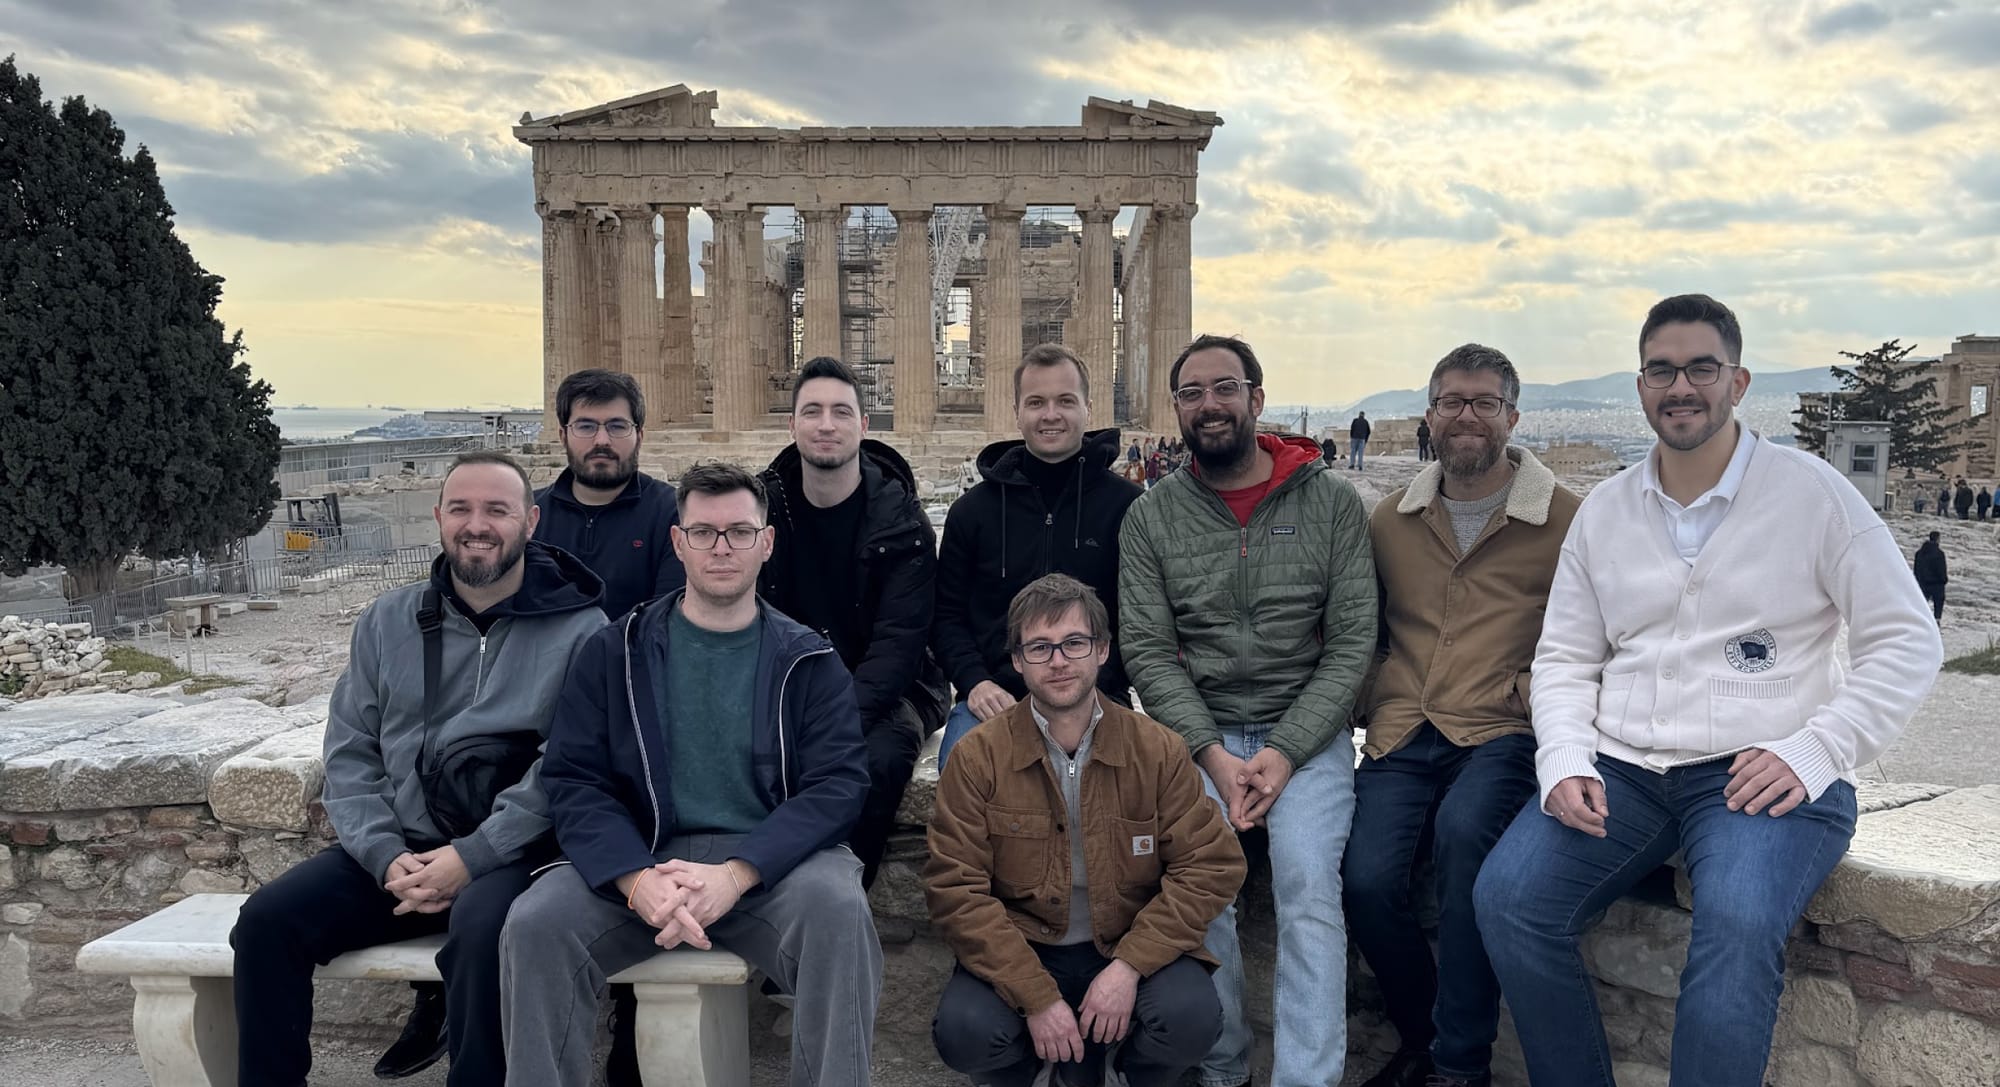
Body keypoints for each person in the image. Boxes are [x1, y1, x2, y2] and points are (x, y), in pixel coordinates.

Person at [1474, 294, 1942, 1087]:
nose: (1681, 386)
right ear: (1641, 385)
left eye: (1701, 367)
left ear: (1738, 381)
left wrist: (1818, 747)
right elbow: (1565, 657)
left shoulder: (1813, 494)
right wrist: (1564, 758)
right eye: (1662, 370)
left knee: (1736, 927)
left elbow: (1907, 638)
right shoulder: (1607, 510)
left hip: (1761, 768)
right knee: (1509, 900)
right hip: (1624, 769)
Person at [230, 452, 606, 1087]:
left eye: (496, 510)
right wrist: (384, 855)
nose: (476, 525)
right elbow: (350, 750)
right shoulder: (387, 620)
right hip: (401, 851)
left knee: (486, 933)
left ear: (530, 521)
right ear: (438, 517)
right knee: (268, 923)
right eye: (461, 509)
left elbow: (568, 763)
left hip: (514, 853)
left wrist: (473, 856)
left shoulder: (583, 629)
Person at [501, 462, 881, 1087]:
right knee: (535, 923)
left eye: (739, 532)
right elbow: (574, 779)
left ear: (766, 543)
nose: (721, 548)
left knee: (840, 911)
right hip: (643, 855)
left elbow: (838, 786)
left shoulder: (808, 659)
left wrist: (737, 874)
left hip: (769, 868)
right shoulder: (615, 650)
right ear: (678, 543)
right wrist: (635, 881)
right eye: (704, 533)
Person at [1120, 333, 1377, 1087]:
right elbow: (1147, 649)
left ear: (1257, 399)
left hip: (1307, 734)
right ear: (1177, 408)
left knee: (1308, 888)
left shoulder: (1332, 503)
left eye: (1225, 387)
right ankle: (1224, 1069)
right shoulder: (1152, 517)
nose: (1209, 404)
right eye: (1192, 392)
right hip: (1197, 735)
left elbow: (1352, 644)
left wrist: (1286, 750)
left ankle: (1307, 1080)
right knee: (1200, 891)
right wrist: (1211, 752)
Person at [1345, 345, 1581, 1087]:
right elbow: (1366, 627)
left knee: (1464, 843)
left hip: (1499, 727)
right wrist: (1373, 693)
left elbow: (1591, 638)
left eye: (1484, 402)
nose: (1467, 416)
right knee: (1364, 880)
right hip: (1403, 725)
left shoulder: (1566, 520)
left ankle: (1459, 1064)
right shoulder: (1393, 519)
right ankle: (1423, 1036)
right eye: (1452, 401)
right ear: (1430, 415)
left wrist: (1530, 694)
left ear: (1513, 416)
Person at [927, 574, 1246, 1087]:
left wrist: (1129, 967)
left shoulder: (1157, 749)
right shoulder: (978, 757)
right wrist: (1035, 996)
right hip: (1026, 943)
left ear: (1102, 650)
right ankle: (1033, 1074)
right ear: (1017, 660)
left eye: (1074, 642)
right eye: (1040, 647)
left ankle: (1125, 1074)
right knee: (965, 1031)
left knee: (1191, 1019)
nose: (1058, 660)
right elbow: (954, 889)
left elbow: (1210, 865)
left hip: (1127, 938)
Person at [758, 356, 944, 887]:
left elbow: (898, 649)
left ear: (863, 425)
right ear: (791, 424)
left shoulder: (903, 522)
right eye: (811, 411)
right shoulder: (760, 513)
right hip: (789, 687)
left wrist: (828, 723)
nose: (826, 424)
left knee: (877, 759)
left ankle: (841, 899)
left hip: (894, 692)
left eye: (841, 412)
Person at [932, 343, 1145, 769]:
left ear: (1087, 408)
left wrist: (1093, 686)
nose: (1051, 415)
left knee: (1129, 783)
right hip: (995, 697)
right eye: (1036, 403)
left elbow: (1142, 618)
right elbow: (946, 617)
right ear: (1017, 412)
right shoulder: (972, 512)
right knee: (963, 769)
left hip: (1098, 693)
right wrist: (975, 682)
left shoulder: (1129, 507)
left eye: (1065, 401)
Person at [534, 368, 685, 620]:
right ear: (563, 436)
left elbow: (667, 620)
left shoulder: (675, 513)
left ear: (639, 436)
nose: (602, 440)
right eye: (585, 426)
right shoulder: (529, 515)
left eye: (617, 426)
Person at [1915, 530, 1948, 623]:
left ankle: (1920, 621)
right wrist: (1944, 580)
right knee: (1938, 605)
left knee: (1921, 604)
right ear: (1938, 539)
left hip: (1922, 583)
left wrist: (1918, 580)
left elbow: (1916, 569)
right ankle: (1936, 622)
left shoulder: (1919, 553)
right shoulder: (1939, 553)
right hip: (1937, 584)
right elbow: (1942, 569)